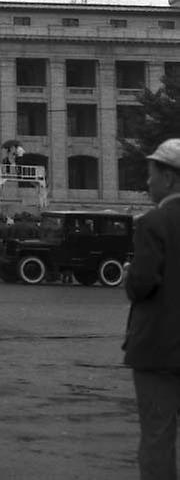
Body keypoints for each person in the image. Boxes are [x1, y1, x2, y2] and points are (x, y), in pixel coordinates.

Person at [123, 138, 180, 478]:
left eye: (151, 175)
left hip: (159, 350)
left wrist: (130, 275)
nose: (147, 183)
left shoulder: (152, 223)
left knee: (158, 437)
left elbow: (141, 285)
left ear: (170, 178)